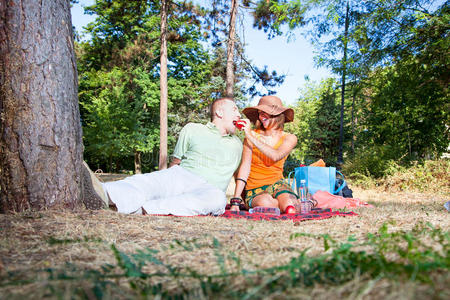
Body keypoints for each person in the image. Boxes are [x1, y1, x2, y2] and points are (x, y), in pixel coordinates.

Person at [84, 98, 243, 216]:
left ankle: (143, 209)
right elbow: (176, 162)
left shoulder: (239, 143)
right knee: (147, 182)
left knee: (217, 200)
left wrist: (250, 135)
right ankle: (102, 193)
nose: (239, 114)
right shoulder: (193, 129)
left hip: (209, 189)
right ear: (219, 112)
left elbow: (243, 172)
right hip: (182, 174)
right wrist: (168, 183)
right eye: (235, 109)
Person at [230, 95, 299, 213]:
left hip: (278, 184)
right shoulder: (251, 136)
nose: (261, 116)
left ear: (278, 115)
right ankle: (269, 204)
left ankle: (299, 203)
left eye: (265, 112)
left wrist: (250, 136)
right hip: (255, 187)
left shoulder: (290, 138)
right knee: (267, 204)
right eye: (260, 113)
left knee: (291, 207)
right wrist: (236, 200)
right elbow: (244, 167)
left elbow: (275, 155)